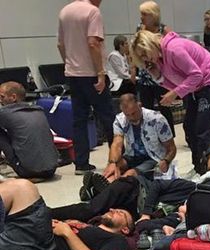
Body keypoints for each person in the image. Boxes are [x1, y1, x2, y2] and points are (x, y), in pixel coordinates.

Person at [130, 30, 210, 175]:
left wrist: (175, 93)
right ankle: (199, 167)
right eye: (141, 56)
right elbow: (175, 82)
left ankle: (207, 170)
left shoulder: (174, 49)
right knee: (189, 127)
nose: (145, 59)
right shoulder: (159, 59)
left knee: (202, 130)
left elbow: (196, 75)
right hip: (197, 87)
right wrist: (158, 77)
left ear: (150, 45)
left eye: (144, 53)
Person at [0, 179, 133, 250]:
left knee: (22, 189)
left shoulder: (118, 241)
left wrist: (67, 233)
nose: (112, 210)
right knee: (9, 185)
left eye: (121, 213)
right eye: (114, 209)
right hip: (32, 241)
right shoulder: (86, 223)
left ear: (125, 229)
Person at [58, 0, 116, 175]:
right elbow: (93, 43)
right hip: (91, 74)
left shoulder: (65, 11)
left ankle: (81, 164)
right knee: (109, 119)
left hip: (73, 75)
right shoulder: (92, 12)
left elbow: (61, 44)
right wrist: (100, 72)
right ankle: (117, 159)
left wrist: (69, 64)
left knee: (79, 121)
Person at [102, 93, 176, 183]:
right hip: (131, 156)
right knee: (112, 170)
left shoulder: (157, 119)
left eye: (134, 113)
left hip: (153, 158)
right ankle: (103, 187)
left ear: (139, 105)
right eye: (127, 115)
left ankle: (116, 188)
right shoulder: (120, 120)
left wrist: (166, 161)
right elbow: (117, 144)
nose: (131, 117)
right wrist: (112, 163)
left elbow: (171, 148)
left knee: (129, 175)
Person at [0, 82, 58, 179]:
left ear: (13, 97)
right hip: (51, 169)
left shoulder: (5, 113)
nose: (0, 101)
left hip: (27, 171)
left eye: (2, 97)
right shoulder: (38, 110)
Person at [135, 0, 176, 138]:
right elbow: (135, 51)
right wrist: (133, 70)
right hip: (145, 76)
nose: (141, 17)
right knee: (146, 110)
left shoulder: (164, 30)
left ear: (153, 15)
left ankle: (169, 136)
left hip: (161, 76)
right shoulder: (139, 29)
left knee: (164, 107)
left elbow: (173, 50)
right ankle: (150, 136)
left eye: (144, 14)